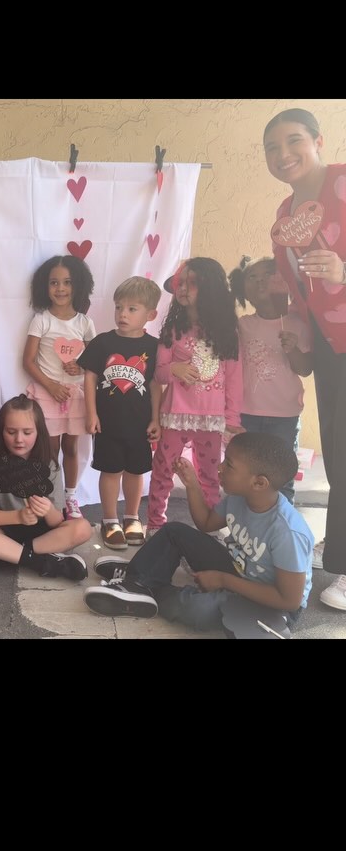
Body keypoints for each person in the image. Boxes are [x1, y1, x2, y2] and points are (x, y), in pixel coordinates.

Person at [84, 432, 313, 637]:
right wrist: (192, 485)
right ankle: (139, 581)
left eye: (229, 464)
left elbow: (289, 600)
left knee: (193, 609)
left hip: (272, 604)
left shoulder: (287, 532)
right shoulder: (238, 498)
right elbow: (206, 523)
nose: (220, 467)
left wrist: (224, 581)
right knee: (174, 531)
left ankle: (147, 584)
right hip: (241, 570)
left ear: (259, 483)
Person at [265, 107, 346, 610]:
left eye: (293, 141)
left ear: (319, 140)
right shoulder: (283, 217)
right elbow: (301, 293)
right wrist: (301, 341)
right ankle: (339, 557)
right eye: (271, 148)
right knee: (338, 455)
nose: (282, 154)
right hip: (332, 349)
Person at [146, 257, 243, 534]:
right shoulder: (172, 329)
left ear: (209, 288)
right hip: (175, 415)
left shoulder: (226, 332)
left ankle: (211, 526)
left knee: (210, 476)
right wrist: (174, 368)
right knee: (163, 469)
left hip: (211, 420)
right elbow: (159, 374)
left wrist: (231, 418)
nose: (184, 289)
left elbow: (235, 379)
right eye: (180, 283)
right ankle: (155, 523)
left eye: (192, 283)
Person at [0, 394, 92, 579]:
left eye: (27, 433)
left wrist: (48, 510)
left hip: (43, 535)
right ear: (1, 432)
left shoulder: (50, 466)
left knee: (83, 528)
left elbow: (57, 521)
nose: (19, 439)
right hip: (5, 530)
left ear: (39, 432)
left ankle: (4, 555)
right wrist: (18, 516)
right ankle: (42, 562)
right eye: (11, 432)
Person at [78, 276, 162, 549]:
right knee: (111, 470)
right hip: (109, 424)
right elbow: (89, 378)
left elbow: (154, 384)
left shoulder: (154, 347)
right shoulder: (102, 342)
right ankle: (110, 519)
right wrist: (91, 413)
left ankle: (132, 517)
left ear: (151, 314)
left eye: (131, 309)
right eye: (118, 307)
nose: (122, 314)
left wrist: (155, 418)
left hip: (139, 424)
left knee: (136, 471)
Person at [228, 254, 312, 503]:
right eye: (252, 277)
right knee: (242, 475)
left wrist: (293, 349)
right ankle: (241, 530)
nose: (260, 281)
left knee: (280, 478)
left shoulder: (298, 324)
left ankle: (280, 535)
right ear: (244, 291)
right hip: (246, 414)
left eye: (268, 274)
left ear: (284, 282)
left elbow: (305, 369)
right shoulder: (241, 326)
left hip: (284, 417)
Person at [22, 254, 96, 520]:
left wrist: (81, 366)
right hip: (48, 394)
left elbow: (94, 360)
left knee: (72, 448)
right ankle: (50, 495)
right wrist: (51, 386)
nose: (61, 288)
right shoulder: (41, 320)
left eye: (67, 282)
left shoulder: (85, 323)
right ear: (45, 286)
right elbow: (28, 362)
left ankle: (71, 497)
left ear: (78, 285)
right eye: (54, 283)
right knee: (49, 450)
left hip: (76, 395)